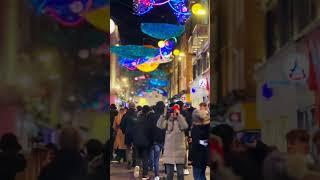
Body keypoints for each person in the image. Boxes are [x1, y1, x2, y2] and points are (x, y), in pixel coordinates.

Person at [157, 104, 189, 180]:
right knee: (169, 174)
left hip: (180, 150)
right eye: (173, 111)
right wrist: (164, 115)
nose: (174, 113)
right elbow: (159, 125)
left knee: (180, 174)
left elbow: (185, 126)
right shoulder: (168, 121)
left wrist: (179, 115)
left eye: (175, 111)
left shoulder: (181, 120)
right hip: (169, 150)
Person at [132, 105, 153, 179]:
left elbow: (133, 131)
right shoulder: (148, 120)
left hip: (137, 141)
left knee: (138, 157)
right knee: (145, 159)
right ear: (148, 111)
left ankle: (137, 166)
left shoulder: (137, 119)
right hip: (145, 142)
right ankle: (144, 175)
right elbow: (150, 132)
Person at [190, 102, 210, 180]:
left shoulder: (195, 129)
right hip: (205, 155)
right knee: (202, 174)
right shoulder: (208, 127)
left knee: (198, 176)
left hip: (197, 156)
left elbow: (196, 143)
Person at [149, 101, 166, 180]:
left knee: (156, 158)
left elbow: (150, 128)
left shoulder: (152, 116)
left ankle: (156, 175)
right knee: (167, 157)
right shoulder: (165, 116)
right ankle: (166, 173)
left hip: (155, 140)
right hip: (165, 140)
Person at [176, 101, 192, 175]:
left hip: (175, 135)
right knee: (184, 151)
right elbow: (189, 124)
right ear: (182, 106)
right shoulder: (186, 113)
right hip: (184, 135)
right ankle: (185, 168)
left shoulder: (173, 113)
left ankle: (176, 166)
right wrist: (189, 135)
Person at [120, 102, 138, 169]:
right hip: (136, 134)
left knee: (128, 148)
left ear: (129, 107)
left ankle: (129, 161)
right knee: (135, 148)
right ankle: (134, 162)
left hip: (128, 133)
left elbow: (122, 125)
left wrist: (124, 131)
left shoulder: (125, 115)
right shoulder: (137, 114)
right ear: (134, 107)